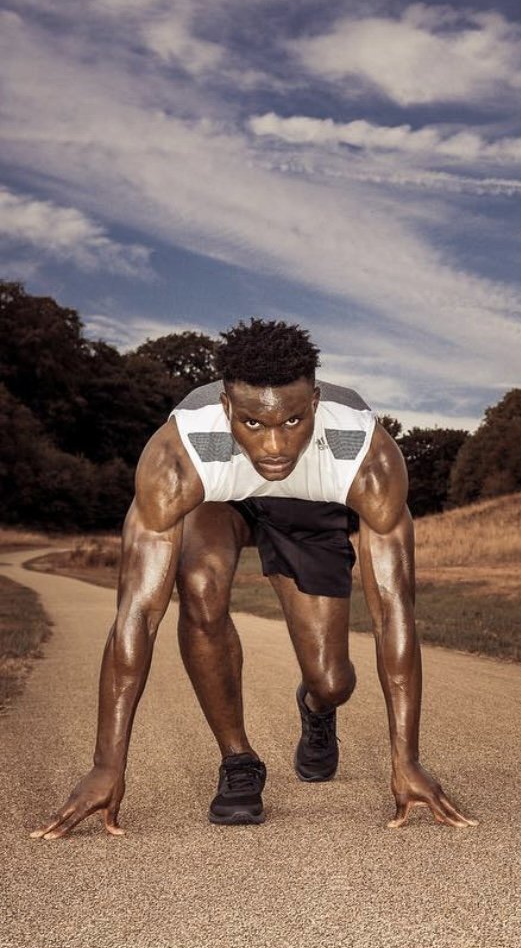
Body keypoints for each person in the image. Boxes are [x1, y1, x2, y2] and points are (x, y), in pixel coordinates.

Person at [31, 319, 474, 837]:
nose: (272, 447)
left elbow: (394, 608)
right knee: (199, 588)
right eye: (252, 424)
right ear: (225, 409)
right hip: (218, 502)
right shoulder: (181, 454)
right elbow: (139, 611)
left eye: (291, 422)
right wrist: (107, 764)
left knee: (333, 681)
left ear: (313, 405)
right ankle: (238, 761)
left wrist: (407, 759)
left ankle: (315, 707)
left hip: (309, 510)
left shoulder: (363, 453)